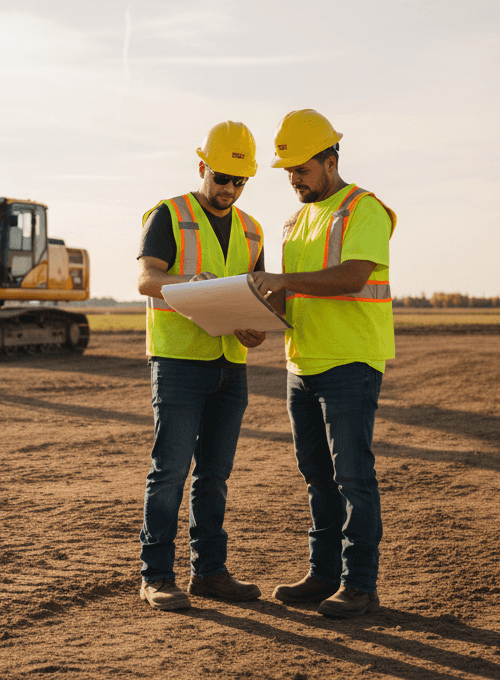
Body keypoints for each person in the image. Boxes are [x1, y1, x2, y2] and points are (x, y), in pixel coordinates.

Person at [248, 109, 396, 618]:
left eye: (302, 169)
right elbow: (290, 297)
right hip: (302, 363)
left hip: (350, 361)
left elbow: (353, 276)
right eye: (288, 171)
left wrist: (284, 282)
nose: (294, 179)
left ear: (330, 161)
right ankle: (323, 574)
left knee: (353, 477)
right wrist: (251, 315)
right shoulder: (295, 220)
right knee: (316, 476)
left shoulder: (363, 209)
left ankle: (360, 585)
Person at [134, 121, 269, 611]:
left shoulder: (252, 229)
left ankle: (209, 573)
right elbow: (146, 279)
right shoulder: (169, 214)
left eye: (239, 181)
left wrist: (257, 327)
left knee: (214, 476)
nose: (229, 189)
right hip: (179, 363)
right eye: (221, 178)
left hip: (231, 364)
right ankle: (156, 576)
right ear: (202, 168)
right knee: (170, 472)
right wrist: (189, 283)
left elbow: (256, 292)